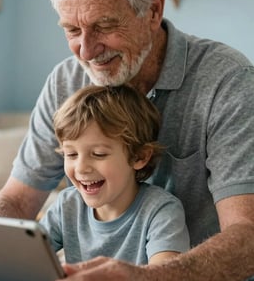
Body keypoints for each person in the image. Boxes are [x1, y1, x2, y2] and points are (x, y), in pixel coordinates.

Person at [0, 0, 254, 281]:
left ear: (153, 10)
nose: (87, 50)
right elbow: (19, 199)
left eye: (105, 26)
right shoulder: (67, 80)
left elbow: (247, 234)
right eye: (72, 30)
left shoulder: (226, 80)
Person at [40, 84, 189, 265]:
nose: (81, 168)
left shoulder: (161, 211)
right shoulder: (66, 205)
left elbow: (164, 278)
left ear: (139, 156)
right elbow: (26, 259)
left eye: (98, 154)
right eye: (71, 154)